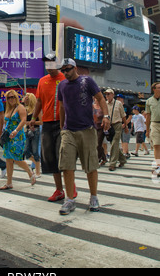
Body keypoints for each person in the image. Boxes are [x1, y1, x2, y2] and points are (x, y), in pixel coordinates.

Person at [58, 59, 110, 215]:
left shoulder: (87, 81)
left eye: (68, 69)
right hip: (69, 131)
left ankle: (94, 197)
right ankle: (69, 199)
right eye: (63, 70)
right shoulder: (61, 85)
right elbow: (61, 106)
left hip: (87, 129)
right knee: (66, 165)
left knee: (90, 166)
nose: (65, 72)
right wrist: (62, 127)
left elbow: (100, 98)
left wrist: (106, 115)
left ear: (75, 68)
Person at [30, 57, 71, 202]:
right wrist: (34, 118)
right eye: (47, 64)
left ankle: (70, 187)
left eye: (51, 63)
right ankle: (59, 190)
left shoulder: (65, 78)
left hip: (63, 123)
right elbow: (39, 101)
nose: (48, 67)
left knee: (63, 156)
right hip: (47, 123)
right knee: (50, 157)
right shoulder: (42, 81)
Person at [0, 90, 36, 190]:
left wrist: (15, 130)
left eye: (13, 97)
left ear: (16, 97)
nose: (11, 99)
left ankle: (29, 171)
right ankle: (9, 183)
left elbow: (23, 120)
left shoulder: (20, 107)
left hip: (17, 137)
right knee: (8, 159)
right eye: (9, 97)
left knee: (16, 158)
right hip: (8, 137)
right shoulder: (8, 108)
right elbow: (5, 121)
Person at [105, 89, 127, 171]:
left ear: (112, 95)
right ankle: (122, 159)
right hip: (109, 126)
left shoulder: (118, 104)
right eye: (106, 94)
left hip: (117, 124)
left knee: (114, 143)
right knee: (113, 144)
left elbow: (123, 115)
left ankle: (112, 163)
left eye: (109, 94)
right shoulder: (105, 104)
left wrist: (126, 126)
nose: (107, 96)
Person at [23, 93, 42, 177]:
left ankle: (38, 171)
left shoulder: (36, 110)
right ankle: (37, 164)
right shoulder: (25, 110)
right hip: (27, 131)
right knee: (26, 151)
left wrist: (32, 122)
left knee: (35, 151)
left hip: (35, 131)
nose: (24, 100)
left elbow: (41, 122)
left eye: (26, 99)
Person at [145, 83, 160, 176]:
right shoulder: (149, 101)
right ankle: (158, 166)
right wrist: (147, 130)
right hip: (154, 124)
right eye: (159, 88)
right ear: (154, 89)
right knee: (156, 145)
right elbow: (148, 116)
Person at [117, 94, 132, 159]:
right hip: (118, 125)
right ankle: (127, 152)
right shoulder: (116, 107)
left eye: (119, 98)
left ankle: (125, 153)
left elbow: (130, 116)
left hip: (126, 126)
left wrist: (125, 124)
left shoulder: (127, 107)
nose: (118, 99)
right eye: (117, 98)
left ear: (122, 99)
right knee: (122, 140)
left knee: (125, 139)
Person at [93, 97, 107, 166]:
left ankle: (98, 159)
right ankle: (104, 158)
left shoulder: (103, 107)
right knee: (95, 144)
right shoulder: (92, 107)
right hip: (93, 127)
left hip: (101, 127)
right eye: (96, 99)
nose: (97, 100)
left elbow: (106, 116)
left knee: (98, 143)